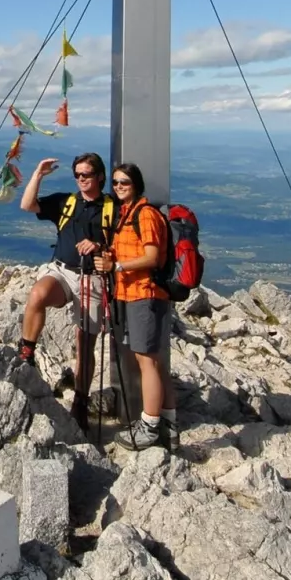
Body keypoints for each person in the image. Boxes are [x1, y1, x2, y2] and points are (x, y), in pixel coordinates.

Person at [95, 162, 178, 450]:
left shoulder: (146, 215)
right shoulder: (126, 215)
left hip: (145, 294)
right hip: (130, 294)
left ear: (136, 185)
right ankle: (168, 421)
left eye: (124, 183)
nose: (119, 187)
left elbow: (152, 257)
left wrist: (116, 265)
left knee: (147, 362)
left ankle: (151, 426)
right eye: (116, 182)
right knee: (153, 362)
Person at [16, 152, 113, 369]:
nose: (81, 179)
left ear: (99, 176)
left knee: (85, 344)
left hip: (94, 280)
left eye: (86, 174)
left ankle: (81, 398)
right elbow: (27, 205)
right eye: (77, 175)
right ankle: (26, 351)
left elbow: (125, 243)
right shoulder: (66, 202)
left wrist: (100, 246)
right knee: (38, 294)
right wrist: (38, 175)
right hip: (62, 272)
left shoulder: (112, 208)